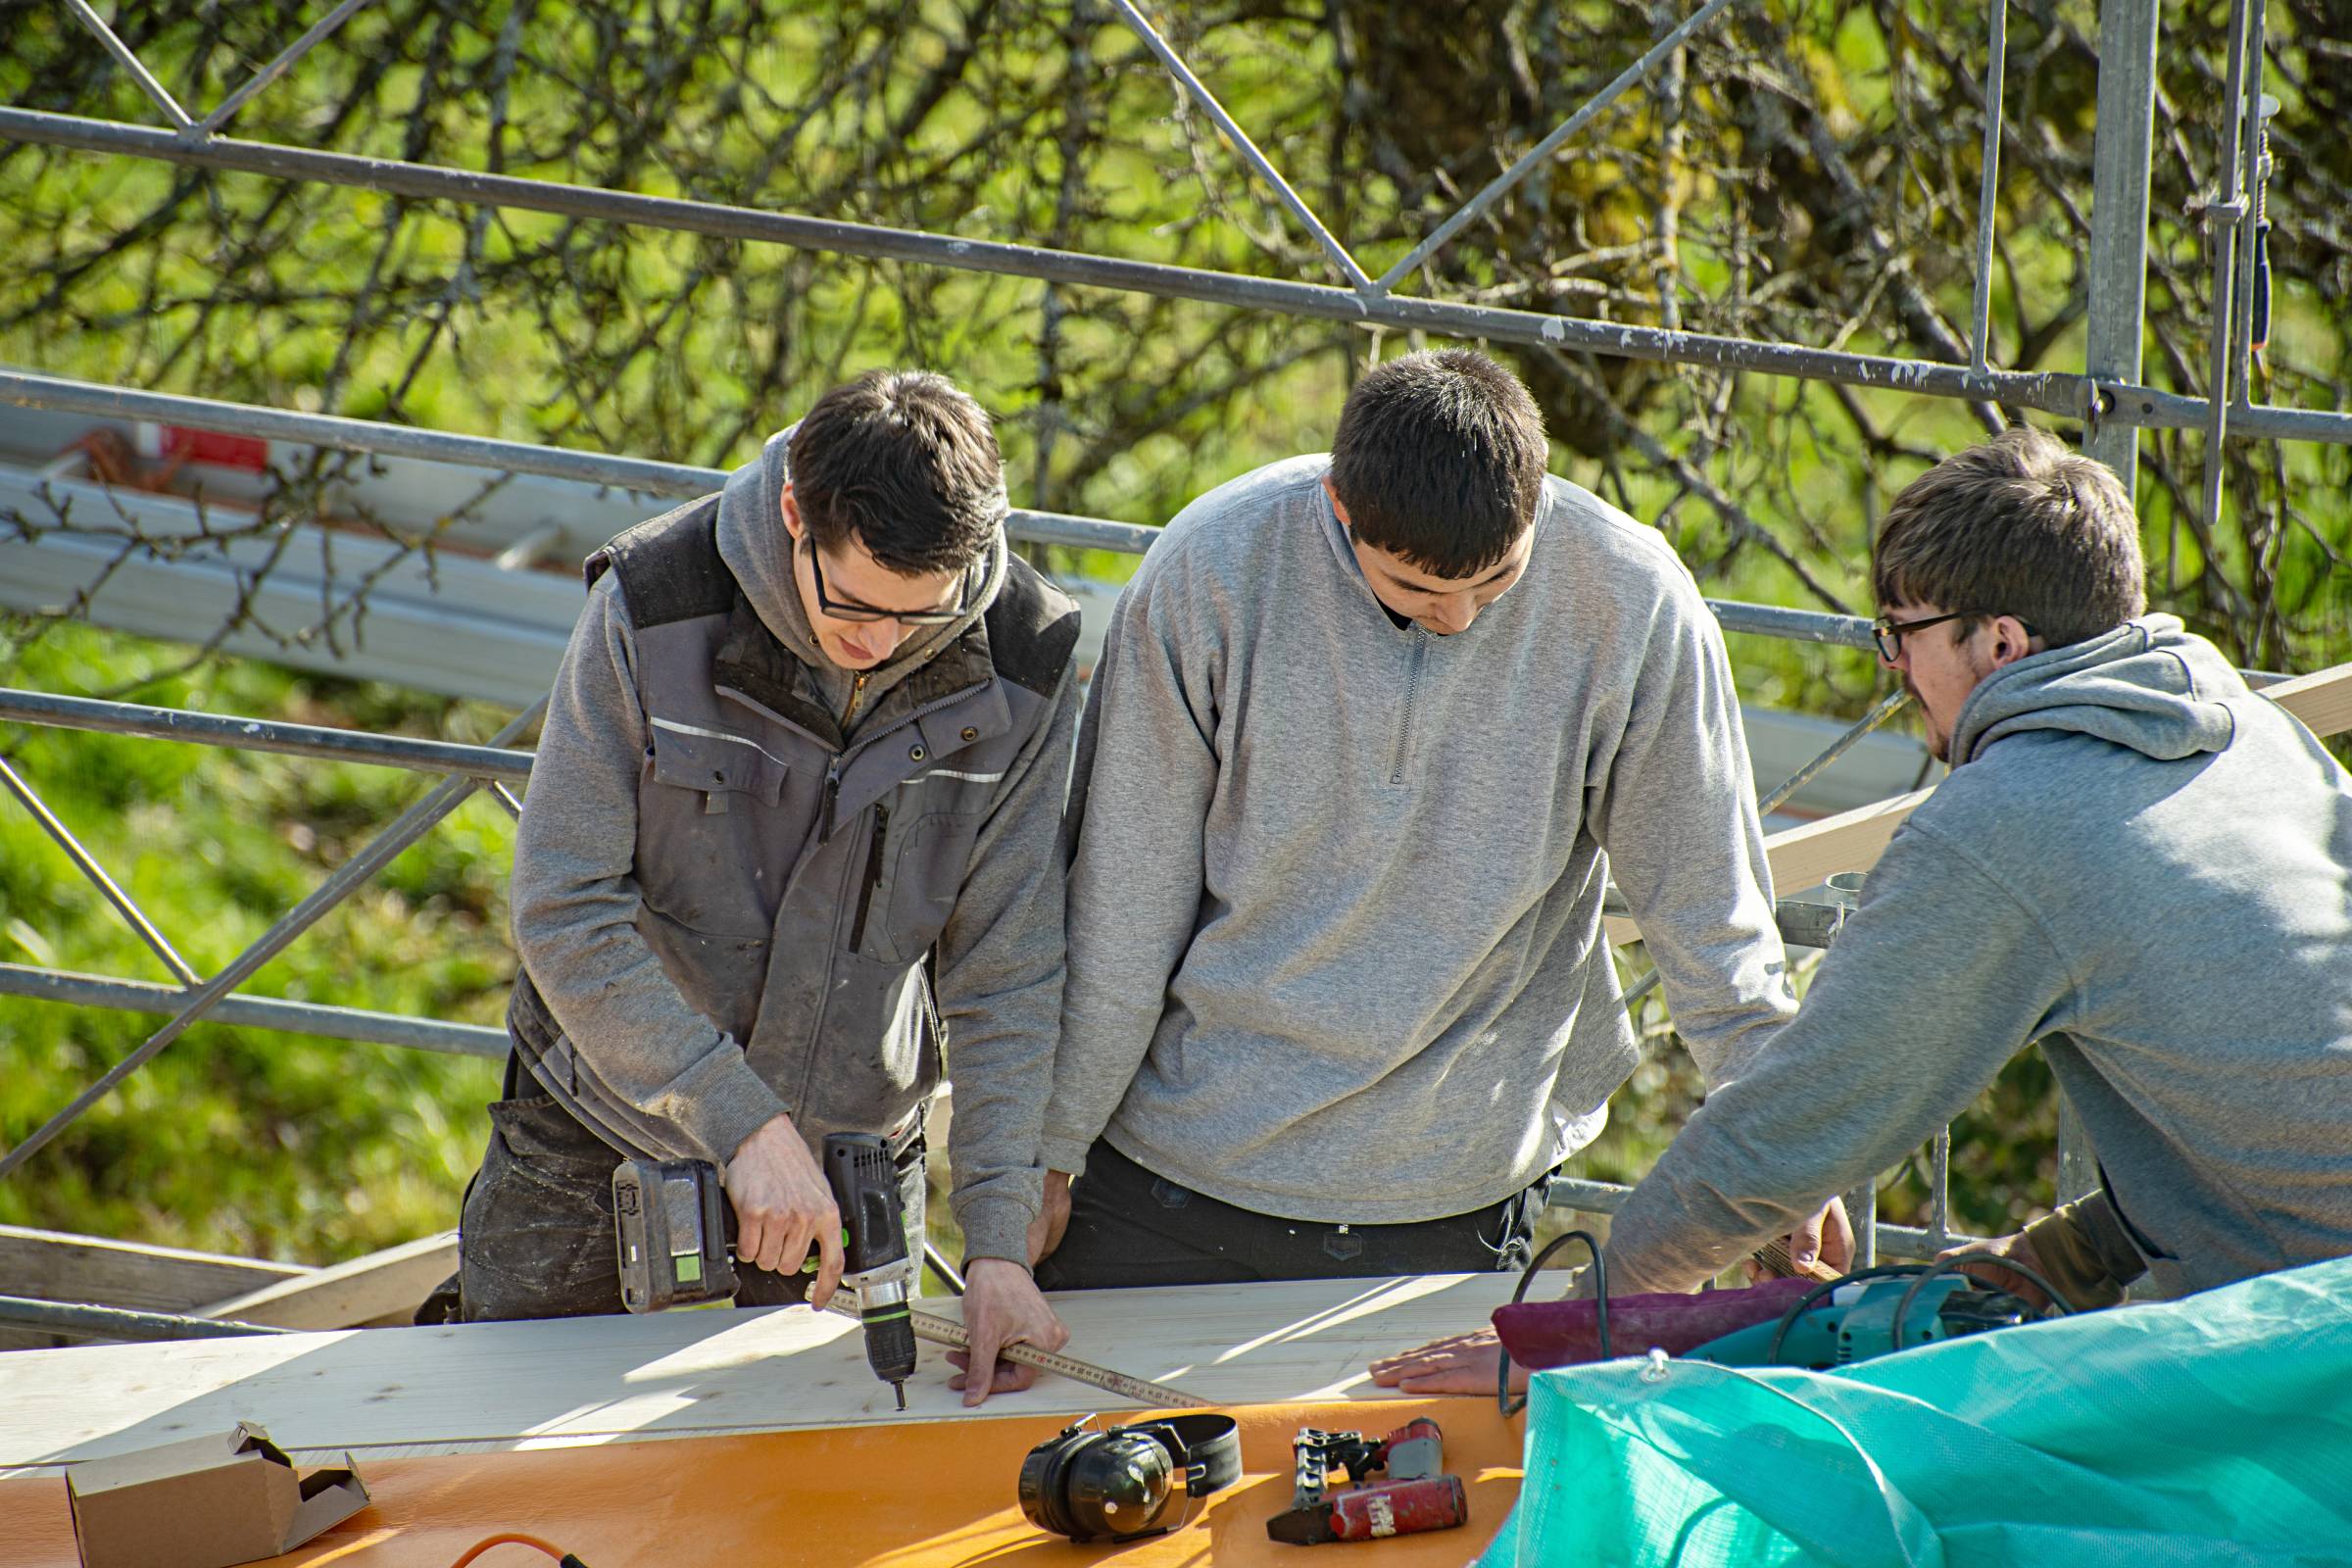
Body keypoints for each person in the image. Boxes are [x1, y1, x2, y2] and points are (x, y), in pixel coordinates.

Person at [1374, 426, 2352, 1393]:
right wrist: (2074, 1250)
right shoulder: (2253, 738)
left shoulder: (2017, 818)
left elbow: (1799, 1123)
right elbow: (2268, 1087)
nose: (1894, 665)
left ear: (2001, 642)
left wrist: (1585, 1332)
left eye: (1905, 633)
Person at [1028, 349, 1846, 1293]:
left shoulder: (1633, 600)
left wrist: (1777, 1153)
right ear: (1341, 507)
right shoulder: (1211, 573)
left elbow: (1713, 915)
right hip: (1169, 1183)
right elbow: (1122, 903)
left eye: (1496, 582)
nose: (1458, 619)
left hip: (1461, 1204)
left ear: (1539, 500)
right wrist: (1049, 1149)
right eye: (1415, 592)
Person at [457, 369, 1077, 1405]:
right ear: (796, 511)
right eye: (854, 605)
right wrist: (739, 1119)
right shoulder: (651, 608)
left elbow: (1006, 968)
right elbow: (565, 903)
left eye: (921, 615)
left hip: (855, 1170)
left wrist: (1001, 1244)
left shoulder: (1025, 660)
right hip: (597, 1145)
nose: (880, 643)